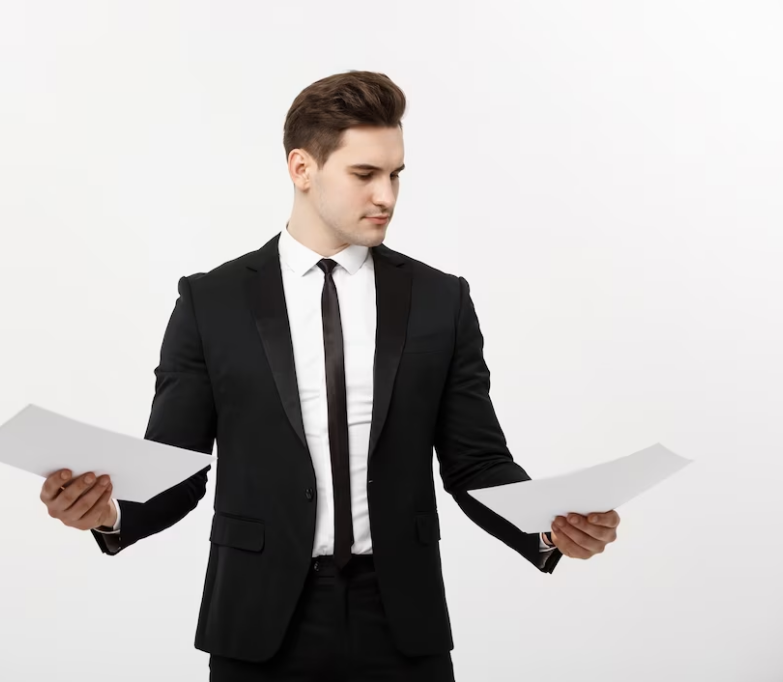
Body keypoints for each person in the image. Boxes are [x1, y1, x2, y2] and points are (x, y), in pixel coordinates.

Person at [39, 70, 621, 681]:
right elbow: (177, 468)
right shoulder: (210, 303)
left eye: (395, 175)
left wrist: (550, 529)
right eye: (365, 174)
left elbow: (476, 463)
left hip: (401, 621)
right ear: (302, 168)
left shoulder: (440, 301)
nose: (387, 197)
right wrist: (108, 512)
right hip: (258, 623)